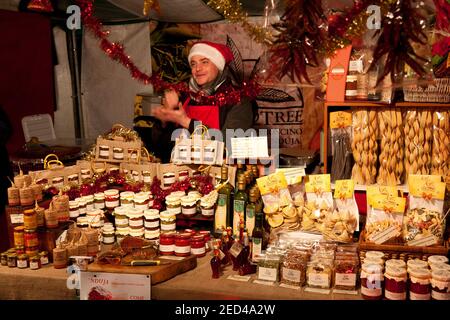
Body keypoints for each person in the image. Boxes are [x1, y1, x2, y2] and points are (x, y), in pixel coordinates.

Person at [149, 41, 254, 162]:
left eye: (205, 62)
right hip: (183, 174)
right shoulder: (183, 98)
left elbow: (228, 144)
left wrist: (186, 122)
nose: (198, 68)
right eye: (193, 64)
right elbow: (161, 148)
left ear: (218, 65)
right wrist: (163, 122)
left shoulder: (238, 100)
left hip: (220, 176)